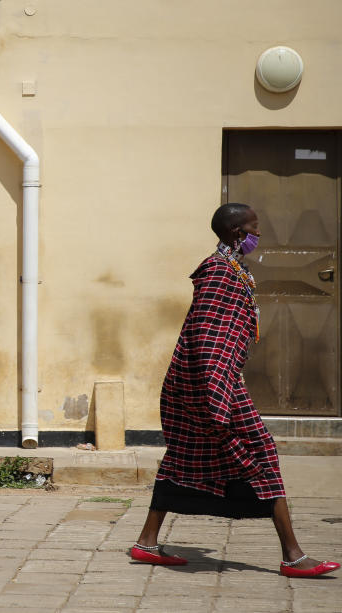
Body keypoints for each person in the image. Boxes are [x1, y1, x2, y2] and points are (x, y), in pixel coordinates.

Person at [131, 203, 339, 578]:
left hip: (213, 382)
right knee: (263, 450)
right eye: (255, 229)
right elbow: (206, 338)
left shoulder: (235, 272)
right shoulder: (218, 273)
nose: (259, 237)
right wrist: (217, 397)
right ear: (238, 234)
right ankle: (292, 556)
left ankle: (146, 542)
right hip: (209, 384)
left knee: (182, 456)